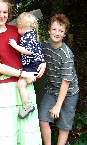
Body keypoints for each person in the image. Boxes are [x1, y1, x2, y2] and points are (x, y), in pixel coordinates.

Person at [0, 0, 46, 145]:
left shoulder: (17, 30)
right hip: (3, 89)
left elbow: (34, 47)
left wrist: (43, 62)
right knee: (4, 134)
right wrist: (23, 73)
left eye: (5, 12)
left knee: (25, 134)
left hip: (24, 88)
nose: (2, 15)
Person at [38, 14, 79, 145]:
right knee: (43, 118)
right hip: (52, 89)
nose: (57, 33)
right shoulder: (44, 46)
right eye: (54, 29)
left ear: (65, 34)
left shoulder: (66, 54)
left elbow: (66, 82)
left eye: (60, 31)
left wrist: (58, 106)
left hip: (69, 93)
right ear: (49, 30)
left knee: (64, 124)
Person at [9, 12, 45, 119]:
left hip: (32, 64)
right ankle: (27, 104)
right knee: (24, 83)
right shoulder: (33, 35)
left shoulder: (27, 36)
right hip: (34, 64)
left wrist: (15, 46)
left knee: (21, 84)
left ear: (20, 26)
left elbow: (29, 51)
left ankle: (27, 105)